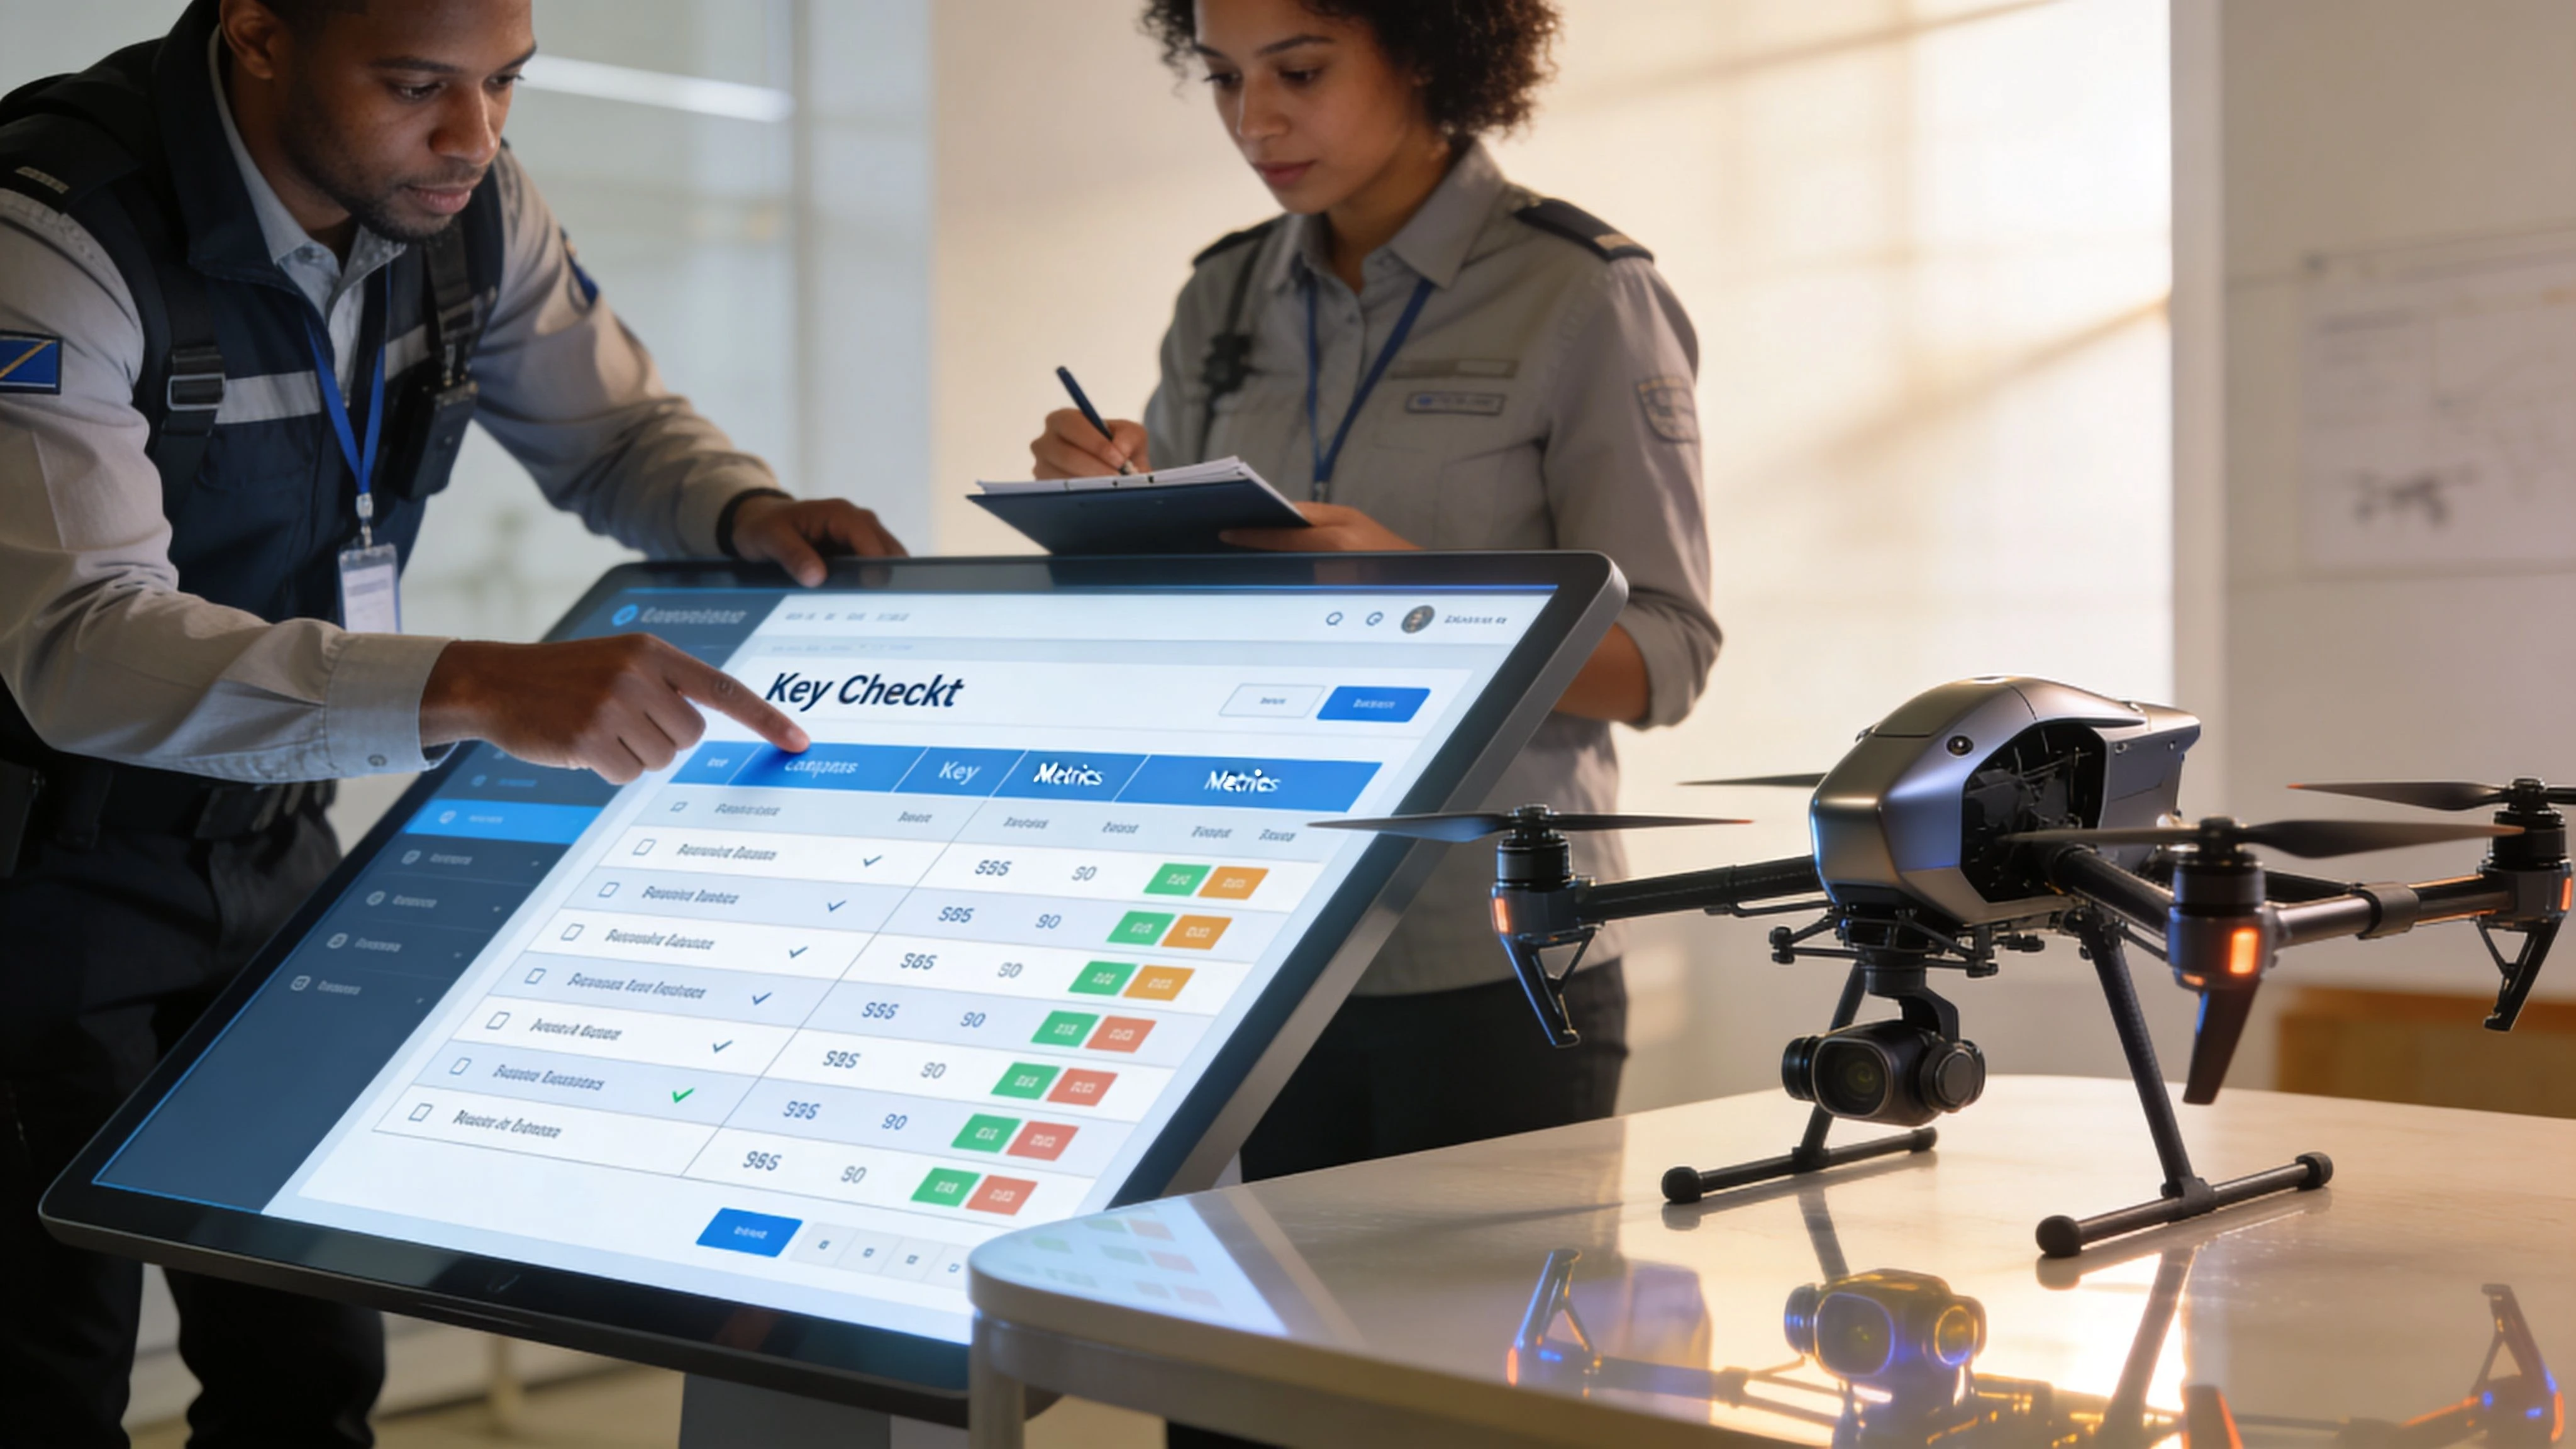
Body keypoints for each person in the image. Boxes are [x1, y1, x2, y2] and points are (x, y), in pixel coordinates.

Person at [0, 1, 891, 1441]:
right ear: (259, 33)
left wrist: (745, 511)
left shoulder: (465, 209)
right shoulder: (53, 233)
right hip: (35, 874)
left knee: (310, 1363)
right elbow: (80, 645)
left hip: (276, 841)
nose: (475, 136)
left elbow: (609, 431)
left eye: (504, 84)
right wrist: (469, 685)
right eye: (418, 84)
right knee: (43, 1378)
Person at [1031, 0, 1719, 1188]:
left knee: (1479, 1368)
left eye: (1298, 70)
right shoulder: (1222, 297)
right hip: (1267, 940)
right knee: (1283, 1364)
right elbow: (1185, 615)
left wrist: (1424, 590)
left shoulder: (1583, 293)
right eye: (1223, 78)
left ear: (1428, 49)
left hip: (1491, 959)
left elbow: (1667, 657)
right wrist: (1109, 509)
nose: (1256, 119)